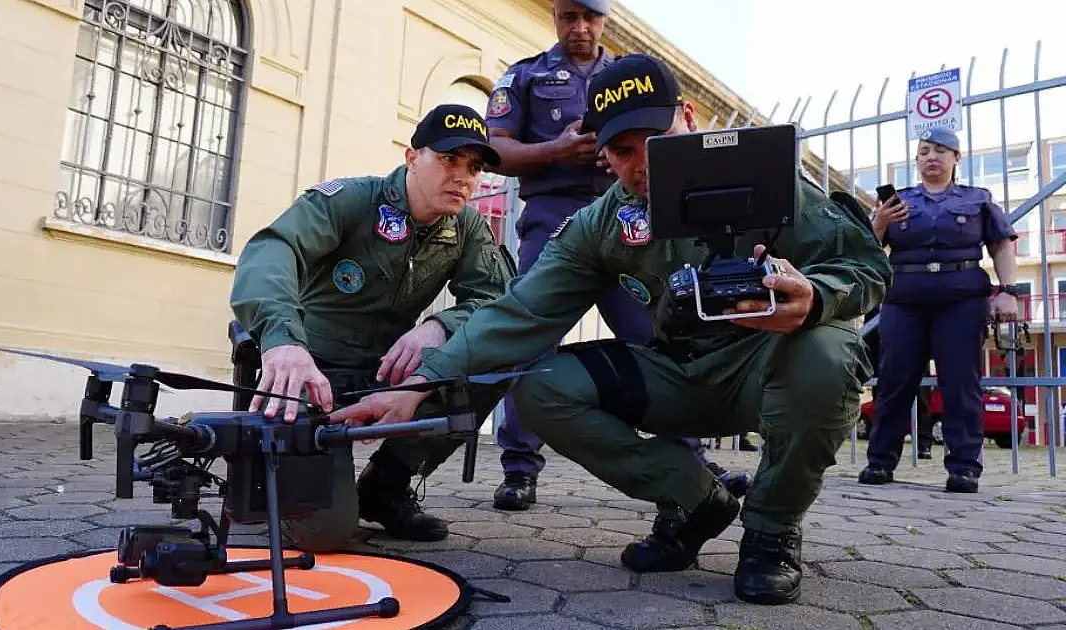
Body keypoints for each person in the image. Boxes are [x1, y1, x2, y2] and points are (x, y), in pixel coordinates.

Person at [328, 53, 891, 606]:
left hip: (770, 368)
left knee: (829, 353)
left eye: (655, 138)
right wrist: (418, 385)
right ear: (603, 155)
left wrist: (815, 297)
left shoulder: (772, 183)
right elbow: (521, 314)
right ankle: (695, 500)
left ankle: (770, 532)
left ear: (688, 119)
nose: (642, 162)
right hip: (678, 375)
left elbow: (866, 266)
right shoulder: (605, 222)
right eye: (622, 150)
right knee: (540, 384)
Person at [482, 0, 747, 512]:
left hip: (631, 213)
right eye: (568, 17)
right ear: (555, 18)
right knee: (531, 335)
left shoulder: (628, 77)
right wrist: (553, 151)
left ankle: (688, 461)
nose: (580, 28)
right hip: (555, 215)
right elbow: (496, 151)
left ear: (605, 20)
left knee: (660, 331)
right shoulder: (524, 76)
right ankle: (519, 465)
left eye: (591, 17)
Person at [228, 103, 515, 551]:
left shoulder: (466, 226)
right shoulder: (353, 200)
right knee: (326, 532)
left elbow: (496, 302)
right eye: (448, 159)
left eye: (474, 167)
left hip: (385, 377)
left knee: (496, 359)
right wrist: (281, 340)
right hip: (311, 376)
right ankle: (275, 477)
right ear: (411, 157)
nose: (464, 177)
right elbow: (274, 249)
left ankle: (384, 489)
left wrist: (439, 326)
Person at [858, 127, 1019, 493]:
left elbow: (1001, 244)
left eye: (941, 151)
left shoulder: (978, 198)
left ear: (956, 158)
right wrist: (880, 221)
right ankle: (880, 462)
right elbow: (868, 248)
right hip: (905, 300)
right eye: (925, 151)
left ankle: (964, 467)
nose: (932, 157)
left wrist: (1008, 292)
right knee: (895, 382)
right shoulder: (897, 200)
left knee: (961, 382)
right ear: (916, 160)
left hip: (961, 300)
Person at [862, 304, 934, 459]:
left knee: (921, 400)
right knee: (883, 400)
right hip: (883, 358)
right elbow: (868, 336)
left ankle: (924, 442)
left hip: (916, 351)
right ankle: (881, 445)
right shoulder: (875, 305)